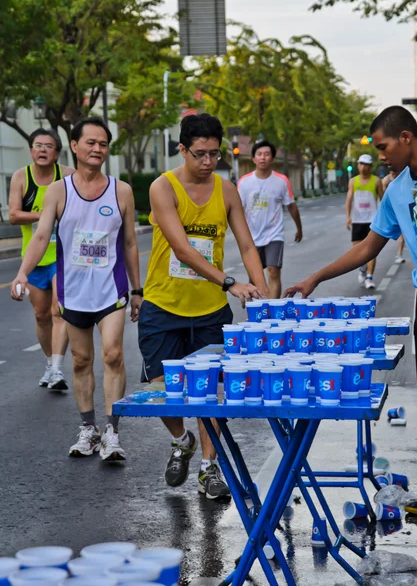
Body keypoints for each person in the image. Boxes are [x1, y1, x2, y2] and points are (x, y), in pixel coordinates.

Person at [285, 105, 417, 516]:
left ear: (405, 137)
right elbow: (368, 247)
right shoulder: (398, 191)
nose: (380, 155)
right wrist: (316, 278)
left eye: (383, 146)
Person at [138, 113, 269, 500]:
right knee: (163, 391)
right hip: (164, 304)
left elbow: (247, 245)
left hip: (210, 311)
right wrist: (230, 282)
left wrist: (261, 293)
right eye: (200, 154)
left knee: (211, 393)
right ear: (182, 149)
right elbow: (181, 248)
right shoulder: (163, 188)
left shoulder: (227, 191)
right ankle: (181, 440)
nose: (208, 162)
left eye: (215, 154)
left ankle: (209, 468)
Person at [11, 117, 142, 462]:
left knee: (112, 354)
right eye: (91, 143)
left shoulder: (121, 190)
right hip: (73, 292)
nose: (97, 149)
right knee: (82, 359)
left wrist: (137, 289)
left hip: (111, 290)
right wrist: (23, 273)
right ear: (75, 146)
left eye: (103, 144)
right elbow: (41, 237)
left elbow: (129, 242)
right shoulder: (59, 190)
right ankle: (89, 429)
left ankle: (112, 432)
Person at [9, 128, 74, 390]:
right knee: (41, 315)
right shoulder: (20, 177)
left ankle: (57, 369)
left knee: (58, 311)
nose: (43, 150)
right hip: (34, 258)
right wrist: (46, 216)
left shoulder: (68, 175)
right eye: (38, 145)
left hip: (62, 257)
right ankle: (50, 364)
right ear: (31, 150)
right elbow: (13, 215)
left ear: (57, 152)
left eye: (49, 146)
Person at [238, 140, 302, 299]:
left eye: (267, 154)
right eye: (259, 154)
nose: (263, 158)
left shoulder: (281, 181)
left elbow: (291, 206)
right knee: (254, 276)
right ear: (253, 158)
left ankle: (272, 310)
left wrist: (299, 228)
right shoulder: (244, 182)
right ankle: (254, 309)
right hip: (251, 236)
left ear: (272, 158)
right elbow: (237, 210)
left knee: (273, 272)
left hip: (274, 234)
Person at [345, 153, 383, 289]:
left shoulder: (376, 181)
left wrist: (384, 218)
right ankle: (362, 267)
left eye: (366, 164)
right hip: (357, 220)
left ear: (370, 166)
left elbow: (383, 200)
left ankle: (369, 277)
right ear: (358, 165)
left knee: (371, 250)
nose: (363, 167)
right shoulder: (353, 181)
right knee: (357, 250)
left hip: (372, 220)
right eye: (361, 164)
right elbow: (349, 199)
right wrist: (348, 217)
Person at [383, 170, 406, 263]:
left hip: (401, 209)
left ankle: (399, 254)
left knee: (402, 234)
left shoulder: (404, 178)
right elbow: (383, 197)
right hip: (391, 210)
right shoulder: (386, 180)